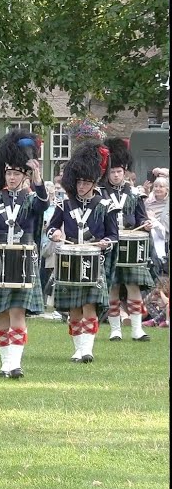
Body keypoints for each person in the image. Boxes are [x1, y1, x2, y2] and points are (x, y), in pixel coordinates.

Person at [0, 131, 49, 378]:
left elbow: (43, 205)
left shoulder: (30, 199)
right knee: (2, 313)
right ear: (4, 175)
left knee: (17, 311)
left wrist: (38, 178)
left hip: (23, 257)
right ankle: (4, 364)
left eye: (17, 174)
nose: (12, 177)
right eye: (9, 173)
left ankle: (15, 365)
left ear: (24, 176)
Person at [47, 142, 117, 363]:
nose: (81, 185)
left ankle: (88, 349)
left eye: (86, 181)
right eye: (78, 181)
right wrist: (55, 235)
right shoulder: (64, 205)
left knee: (89, 306)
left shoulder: (106, 206)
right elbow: (50, 228)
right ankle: (78, 349)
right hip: (70, 260)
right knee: (74, 307)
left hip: (94, 261)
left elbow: (114, 236)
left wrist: (104, 243)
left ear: (94, 182)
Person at [100, 138, 153, 341]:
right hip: (111, 245)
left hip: (131, 245)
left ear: (125, 172)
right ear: (108, 172)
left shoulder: (134, 194)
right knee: (113, 287)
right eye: (112, 172)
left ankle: (137, 329)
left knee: (133, 287)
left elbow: (142, 218)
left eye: (119, 172)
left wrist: (146, 224)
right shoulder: (101, 193)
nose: (115, 175)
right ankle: (115, 329)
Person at [145, 175, 168, 278]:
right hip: (152, 235)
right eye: (156, 186)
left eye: (161, 186)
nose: (158, 189)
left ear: (167, 189)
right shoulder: (148, 201)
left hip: (166, 237)